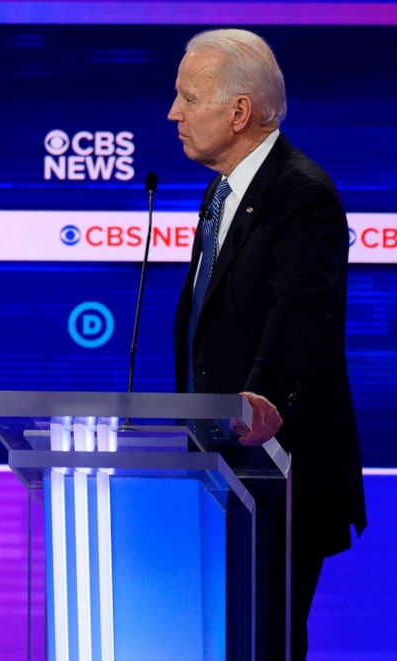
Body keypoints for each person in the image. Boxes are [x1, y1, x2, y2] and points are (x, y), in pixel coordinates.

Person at [168, 29, 365, 659]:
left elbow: (300, 313)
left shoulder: (301, 193)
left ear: (238, 112)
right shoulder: (224, 191)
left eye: (187, 98)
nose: (173, 113)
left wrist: (260, 397)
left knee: (265, 642)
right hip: (219, 470)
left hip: (277, 472)